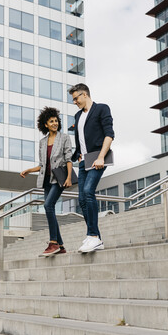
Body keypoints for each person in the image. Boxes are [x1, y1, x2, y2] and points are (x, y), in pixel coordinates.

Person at [20, 107, 73, 257]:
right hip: (46, 180)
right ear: (45, 124)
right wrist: (29, 170)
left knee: (48, 205)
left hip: (59, 179)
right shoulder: (42, 142)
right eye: (51, 121)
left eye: (56, 121)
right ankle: (61, 246)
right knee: (50, 209)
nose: (55, 123)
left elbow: (68, 159)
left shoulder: (64, 138)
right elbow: (42, 165)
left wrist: (69, 177)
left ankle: (53, 242)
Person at [69, 84, 114, 253]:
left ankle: (94, 236)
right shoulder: (77, 116)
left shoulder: (102, 109)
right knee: (81, 199)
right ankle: (94, 237)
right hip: (83, 161)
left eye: (76, 98)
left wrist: (101, 156)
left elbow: (109, 134)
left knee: (88, 191)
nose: (74, 102)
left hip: (98, 158)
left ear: (85, 94)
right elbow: (80, 139)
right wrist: (77, 155)